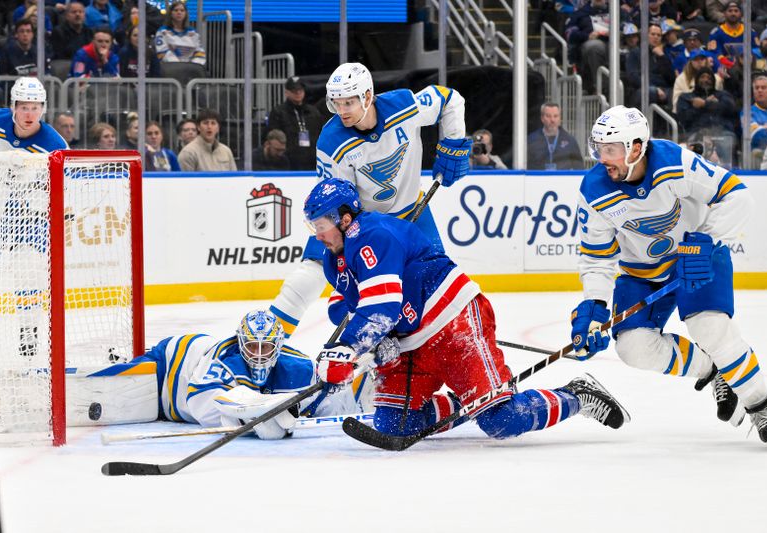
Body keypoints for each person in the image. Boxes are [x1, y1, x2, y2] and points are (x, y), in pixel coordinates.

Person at [304, 178, 630, 441]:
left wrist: (345, 349)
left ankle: (576, 395)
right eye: (313, 225)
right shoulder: (336, 261)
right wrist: (374, 348)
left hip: (453, 325)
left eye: (321, 224)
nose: (317, 234)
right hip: (412, 344)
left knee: (502, 420)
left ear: (345, 219)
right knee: (395, 423)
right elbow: (367, 315)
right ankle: (471, 399)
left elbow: (382, 307)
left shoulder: (372, 235)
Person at [570, 105, 767, 449]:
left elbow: (737, 195)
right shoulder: (594, 189)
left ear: (635, 148)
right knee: (632, 348)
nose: (601, 157)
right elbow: (596, 258)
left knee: (710, 328)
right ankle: (712, 370)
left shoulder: (673, 163)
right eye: (598, 148)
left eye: (609, 149)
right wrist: (593, 306)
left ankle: (760, 405)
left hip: (696, 257)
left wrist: (705, 242)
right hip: (641, 272)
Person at [269, 62, 471, 338]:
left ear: (367, 96)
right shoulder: (331, 141)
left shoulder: (404, 106)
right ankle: (268, 338)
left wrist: (454, 144)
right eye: (336, 104)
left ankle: (450, 343)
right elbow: (337, 201)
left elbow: (449, 99)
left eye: (348, 103)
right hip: (364, 224)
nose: (342, 111)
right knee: (315, 266)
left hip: (414, 212)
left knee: (437, 282)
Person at [130, 309, 372, 439]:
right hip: (171, 365)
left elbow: (330, 408)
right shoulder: (224, 359)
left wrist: (326, 398)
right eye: (251, 346)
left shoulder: (298, 367)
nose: (258, 355)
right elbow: (199, 401)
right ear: (240, 342)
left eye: (265, 347)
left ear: (277, 346)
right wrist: (249, 417)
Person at [0, 77, 67, 360]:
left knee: (28, 267)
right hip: (0, 204)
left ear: (43, 109)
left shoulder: (54, 144)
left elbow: (65, 184)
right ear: (13, 106)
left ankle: (28, 329)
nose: (29, 114)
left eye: (34, 107)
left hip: (31, 213)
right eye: (23, 106)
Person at [265, 76, 324, 170]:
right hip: (288, 163)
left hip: (313, 161)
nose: (298, 93)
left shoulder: (313, 112)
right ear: (286, 92)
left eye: (300, 90)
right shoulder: (278, 112)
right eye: (294, 90)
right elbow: (274, 137)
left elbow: (321, 134)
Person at [625, 23, 676, 109]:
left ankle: (673, 122)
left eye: (659, 35)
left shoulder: (665, 54)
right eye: (653, 34)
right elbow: (632, 77)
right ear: (646, 36)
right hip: (643, 89)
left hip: (665, 89)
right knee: (651, 91)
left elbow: (671, 79)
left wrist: (662, 57)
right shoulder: (636, 53)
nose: (656, 37)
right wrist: (654, 87)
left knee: (679, 94)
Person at [527, 102, 583, 170]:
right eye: (548, 116)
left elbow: (579, 167)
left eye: (555, 116)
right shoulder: (532, 140)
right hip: (539, 179)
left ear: (560, 118)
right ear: (542, 118)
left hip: (563, 180)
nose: (552, 120)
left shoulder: (570, 141)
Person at [154, 1, 206, 67]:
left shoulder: (193, 32)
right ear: (170, 13)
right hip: (169, 68)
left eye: (182, 10)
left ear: (186, 13)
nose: (179, 12)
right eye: (176, 10)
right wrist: (180, 66)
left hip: (191, 69)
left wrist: (193, 65)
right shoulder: (162, 31)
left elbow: (199, 52)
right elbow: (162, 53)